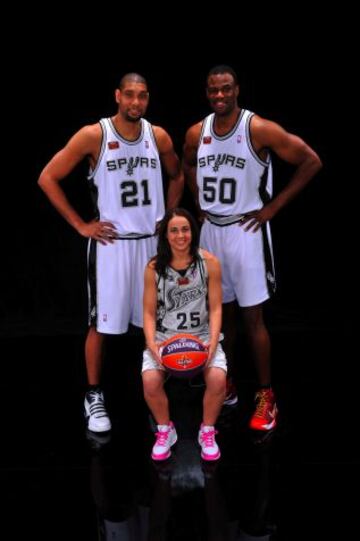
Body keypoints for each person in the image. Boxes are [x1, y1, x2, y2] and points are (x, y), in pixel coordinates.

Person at [38, 73, 184, 433]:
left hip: (150, 244)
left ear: (148, 99)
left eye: (143, 96)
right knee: (101, 325)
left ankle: (156, 397)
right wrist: (80, 225)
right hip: (112, 246)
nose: (136, 103)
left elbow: (178, 175)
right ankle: (93, 394)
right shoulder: (95, 135)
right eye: (129, 95)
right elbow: (48, 177)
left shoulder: (158, 136)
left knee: (157, 323)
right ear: (118, 96)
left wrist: (167, 217)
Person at [183, 65, 322, 431]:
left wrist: (272, 208)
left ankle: (265, 395)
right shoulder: (198, 132)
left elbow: (310, 161)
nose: (219, 96)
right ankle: (226, 385)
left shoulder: (256, 128)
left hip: (246, 230)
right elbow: (186, 163)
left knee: (252, 318)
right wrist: (199, 202)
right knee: (221, 316)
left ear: (237, 89)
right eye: (213, 90)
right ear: (207, 92)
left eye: (226, 89)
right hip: (212, 230)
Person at [142, 208, 227, 461]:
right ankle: (165, 429)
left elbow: (215, 308)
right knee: (150, 381)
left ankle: (208, 430)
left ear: (193, 231)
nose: (181, 235)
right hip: (165, 336)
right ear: (166, 235)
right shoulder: (154, 267)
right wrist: (152, 345)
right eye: (174, 230)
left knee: (218, 379)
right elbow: (147, 313)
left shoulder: (209, 263)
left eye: (185, 229)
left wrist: (212, 341)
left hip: (200, 334)